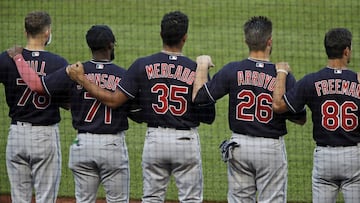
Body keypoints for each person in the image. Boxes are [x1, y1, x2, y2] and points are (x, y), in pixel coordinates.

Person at [66, 11, 215, 203]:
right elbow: (208, 116)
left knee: (151, 198)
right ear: (185, 37)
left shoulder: (141, 65)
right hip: (185, 141)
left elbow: (122, 103)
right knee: (191, 199)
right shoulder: (195, 69)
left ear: (161, 34)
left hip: (155, 141)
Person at [8, 25, 140, 202]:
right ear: (111, 45)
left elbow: (39, 87)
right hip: (112, 147)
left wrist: (18, 58)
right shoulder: (124, 76)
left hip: (82, 145)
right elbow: (137, 114)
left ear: (89, 46)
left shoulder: (73, 72)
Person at [192, 16, 307, 203]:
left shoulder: (233, 70)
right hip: (270, 150)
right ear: (269, 41)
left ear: (246, 41)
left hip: (240, 147)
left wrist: (203, 66)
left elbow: (200, 97)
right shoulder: (282, 75)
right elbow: (300, 118)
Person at [272, 28, 360, 203]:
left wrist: (281, 73)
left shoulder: (311, 81)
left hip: (324, 158)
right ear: (346, 51)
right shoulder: (357, 80)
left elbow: (278, 105)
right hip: (354, 157)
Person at [0, 11, 67, 203]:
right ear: (47, 32)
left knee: (19, 198)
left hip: (16, 135)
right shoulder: (58, 63)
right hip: (44, 137)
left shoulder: (6, 59)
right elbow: (69, 102)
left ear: (25, 31)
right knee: (45, 198)